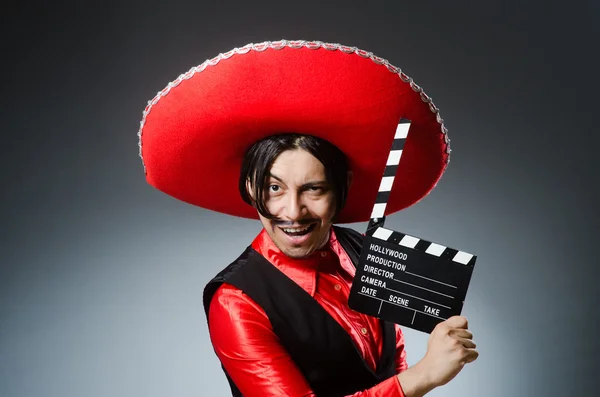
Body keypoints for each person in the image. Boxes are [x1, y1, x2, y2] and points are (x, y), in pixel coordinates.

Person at [137, 40, 478, 397]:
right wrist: (423, 378)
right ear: (252, 188)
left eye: (313, 189)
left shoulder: (363, 249)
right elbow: (409, 379)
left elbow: (393, 361)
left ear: (341, 188)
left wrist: (442, 350)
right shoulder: (236, 302)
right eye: (274, 188)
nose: (293, 212)